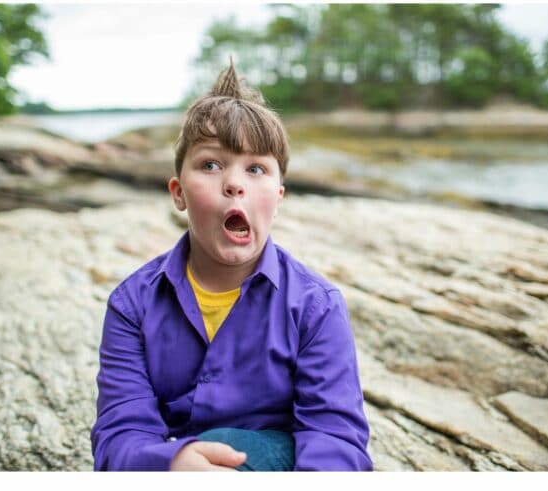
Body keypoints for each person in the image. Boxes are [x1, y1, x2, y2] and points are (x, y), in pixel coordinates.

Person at [90, 63, 371, 471]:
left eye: (255, 169)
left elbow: (335, 438)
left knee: (227, 443)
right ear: (178, 192)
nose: (234, 184)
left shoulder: (317, 306)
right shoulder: (131, 305)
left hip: (283, 463)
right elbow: (119, 436)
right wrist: (171, 463)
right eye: (211, 165)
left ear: (278, 196)